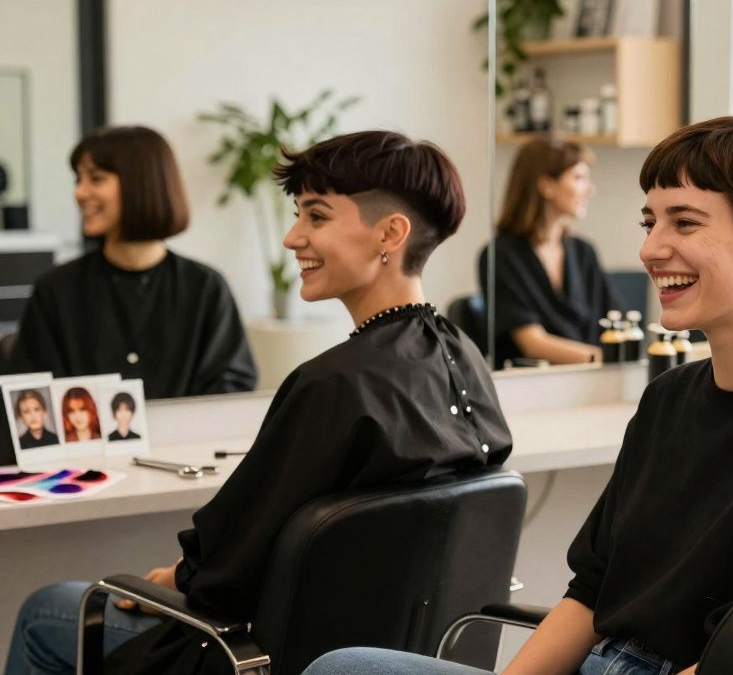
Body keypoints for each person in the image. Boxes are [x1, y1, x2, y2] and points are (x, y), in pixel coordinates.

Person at [302, 116, 733, 675]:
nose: (649, 249)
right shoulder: (669, 398)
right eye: (651, 222)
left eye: (685, 222)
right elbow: (593, 591)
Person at [4, 130, 513, 675]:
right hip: (389, 654)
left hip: (257, 654)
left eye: (316, 217)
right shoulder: (465, 360)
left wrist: (175, 578)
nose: (293, 237)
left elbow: (225, 568)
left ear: (390, 233)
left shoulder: (335, 384)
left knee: (47, 611)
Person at [5, 125, 257, 399]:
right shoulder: (55, 290)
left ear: (141, 184)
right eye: (78, 179)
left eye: (96, 179)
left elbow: (230, 390)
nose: (80, 192)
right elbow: (31, 397)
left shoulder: (205, 287)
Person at [480, 138, 620, 365]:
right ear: (546, 185)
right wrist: (606, 360)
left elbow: (615, 322)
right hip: (534, 387)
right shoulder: (500, 255)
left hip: (591, 380)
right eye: (579, 178)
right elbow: (532, 343)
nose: (590, 189)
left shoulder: (584, 252)